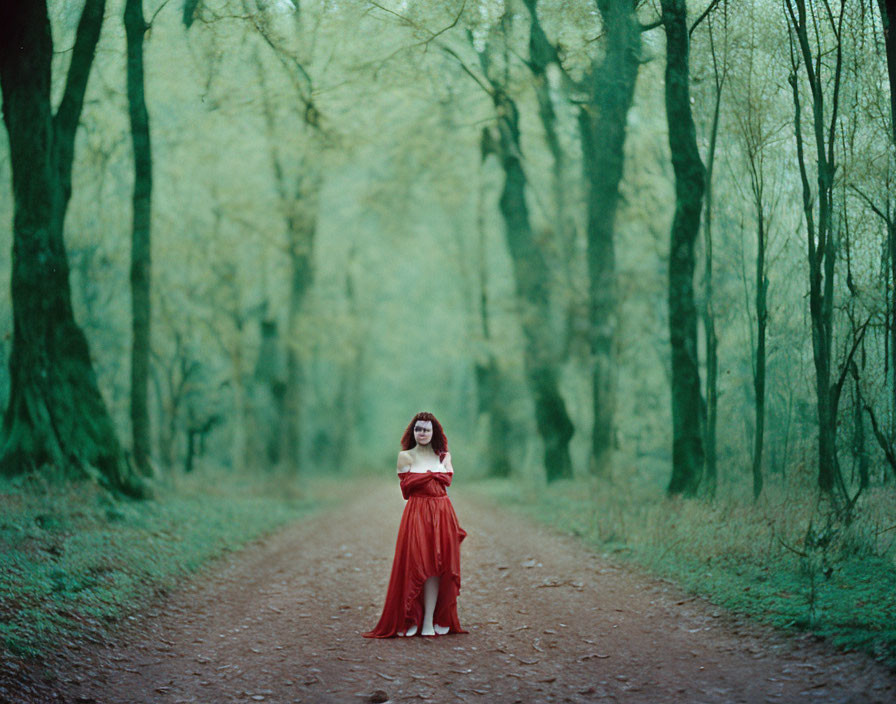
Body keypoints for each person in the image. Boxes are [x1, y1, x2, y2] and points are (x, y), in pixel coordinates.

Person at [362, 411, 468, 638]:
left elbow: (446, 482)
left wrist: (430, 476)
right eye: (418, 429)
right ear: (413, 432)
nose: (422, 433)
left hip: (442, 512)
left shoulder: (444, 457)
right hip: (417, 512)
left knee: (438, 566)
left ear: (434, 432)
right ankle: (411, 616)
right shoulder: (405, 457)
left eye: (427, 429)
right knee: (417, 563)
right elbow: (406, 490)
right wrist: (429, 477)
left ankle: (430, 620)